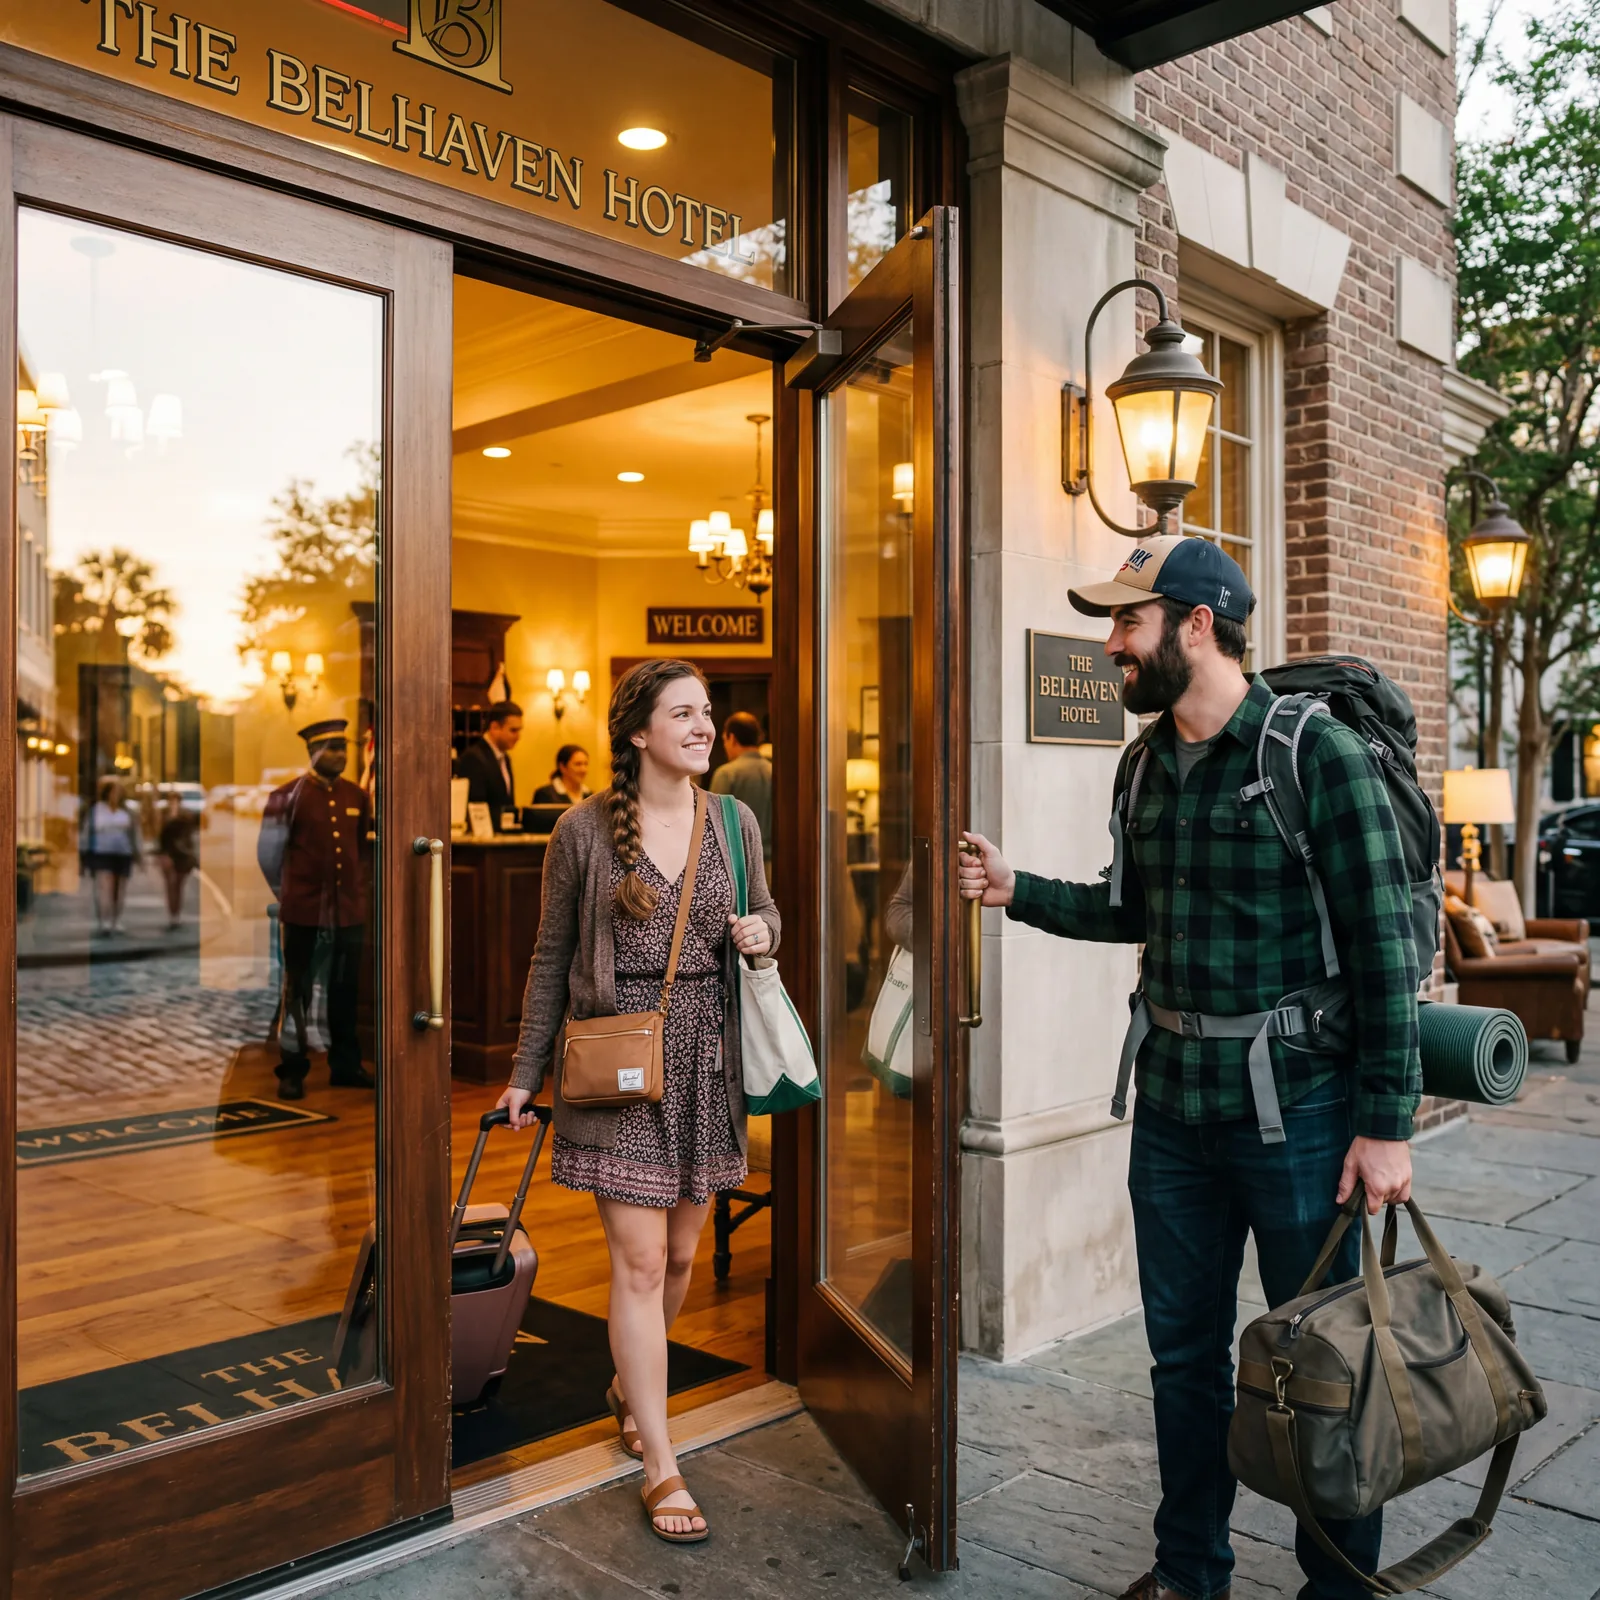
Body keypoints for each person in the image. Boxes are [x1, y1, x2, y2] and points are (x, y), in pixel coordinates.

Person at [957, 532, 1420, 1600]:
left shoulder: (1314, 755)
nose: (1110, 643)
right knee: (1181, 1362)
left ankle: (1339, 1582)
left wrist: (1384, 1123)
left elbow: (1386, 950)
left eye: (1127, 620)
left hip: (1300, 1118)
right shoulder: (1141, 763)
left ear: (1196, 624)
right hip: (1170, 1111)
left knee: (1326, 1362)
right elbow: (1127, 910)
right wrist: (1014, 886)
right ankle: (1187, 1569)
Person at [497, 659, 778, 1545]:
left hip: (707, 1059)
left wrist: (761, 934)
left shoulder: (735, 821)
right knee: (642, 1264)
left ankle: (630, 1384)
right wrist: (521, 1070)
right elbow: (550, 958)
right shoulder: (582, 832)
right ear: (639, 733)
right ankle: (660, 1457)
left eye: (707, 712)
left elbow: (768, 917)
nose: (703, 725)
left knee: (686, 1255)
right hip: (620, 1063)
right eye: (683, 713)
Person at [258, 719, 374, 1100]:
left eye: (344, 747)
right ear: (313, 752)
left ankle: (345, 1064)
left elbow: (361, 852)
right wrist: (291, 894)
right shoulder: (286, 797)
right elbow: (269, 855)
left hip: (347, 913)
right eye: (332, 748)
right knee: (298, 993)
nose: (341, 755)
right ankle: (292, 1069)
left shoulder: (357, 796)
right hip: (304, 913)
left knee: (345, 990)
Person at [709, 711, 772, 876]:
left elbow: (711, 825)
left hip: (737, 867)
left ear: (732, 738)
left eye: (724, 740)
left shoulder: (727, 774)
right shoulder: (774, 771)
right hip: (773, 863)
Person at [82, 776, 140, 935]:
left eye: (119, 793)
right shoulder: (97, 810)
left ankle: (116, 919)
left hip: (123, 852)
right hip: (101, 852)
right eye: (113, 792)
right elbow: (87, 832)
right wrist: (83, 853)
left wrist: (139, 854)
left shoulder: (127, 811)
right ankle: (104, 920)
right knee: (104, 887)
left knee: (119, 889)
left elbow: (135, 833)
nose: (116, 796)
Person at [457, 700, 523, 831]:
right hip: (482, 840)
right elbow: (475, 806)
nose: (518, 736)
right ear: (494, 727)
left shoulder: (505, 758)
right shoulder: (473, 757)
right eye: (513, 730)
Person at [156, 792, 200, 930]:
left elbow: (190, 834)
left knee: (178, 884)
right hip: (167, 852)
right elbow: (158, 833)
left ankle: (177, 913)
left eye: (176, 800)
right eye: (171, 800)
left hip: (182, 854)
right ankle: (172, 914)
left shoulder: (186, 815)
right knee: (170, 883)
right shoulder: (162, 814)